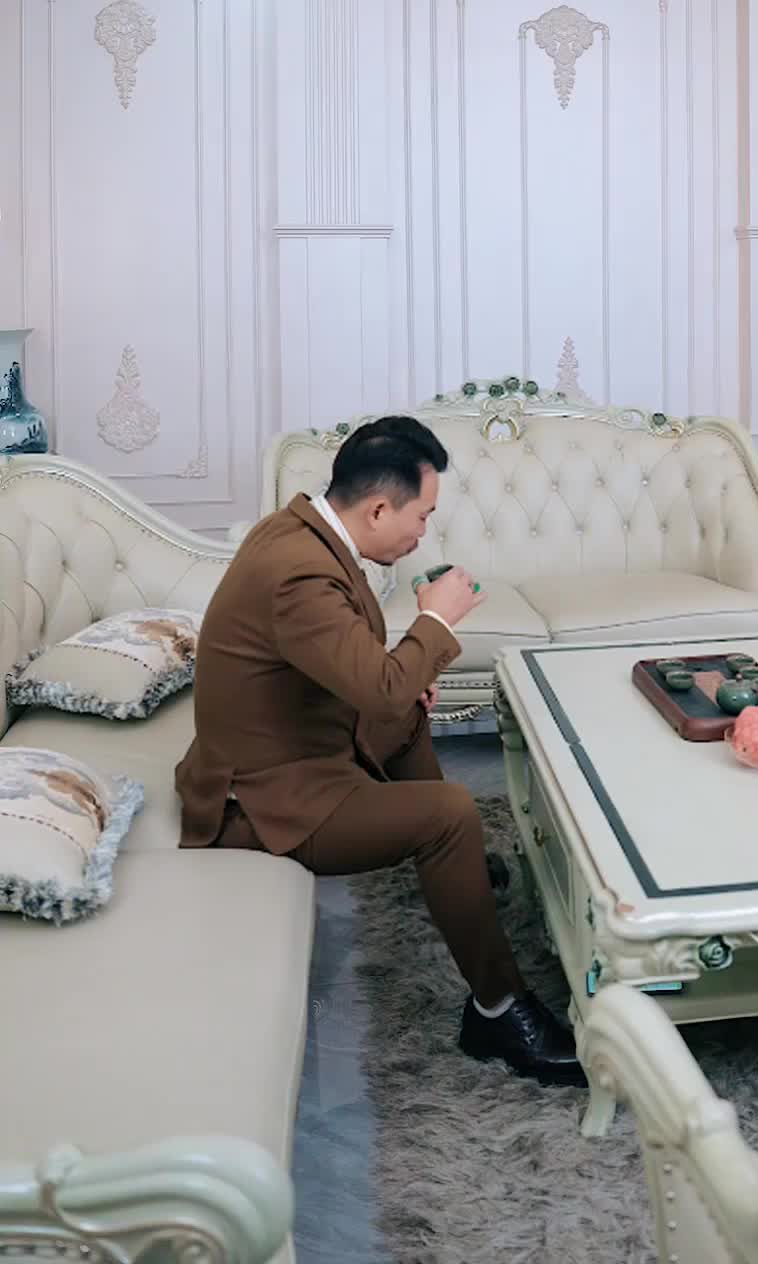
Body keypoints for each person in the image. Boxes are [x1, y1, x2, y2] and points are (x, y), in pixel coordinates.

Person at [175, 415, 583, 1086]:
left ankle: (460, 879)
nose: (424, 532)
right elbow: (381, 686)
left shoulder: (300, 532)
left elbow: (363, 676)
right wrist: (436, 618)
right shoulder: (299, 574)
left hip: (292, 751)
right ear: (376, 509)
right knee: (450, 812)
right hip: (264, 803)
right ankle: (499, 1010)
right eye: (422, 516)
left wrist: (406, 675)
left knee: (407, 711)